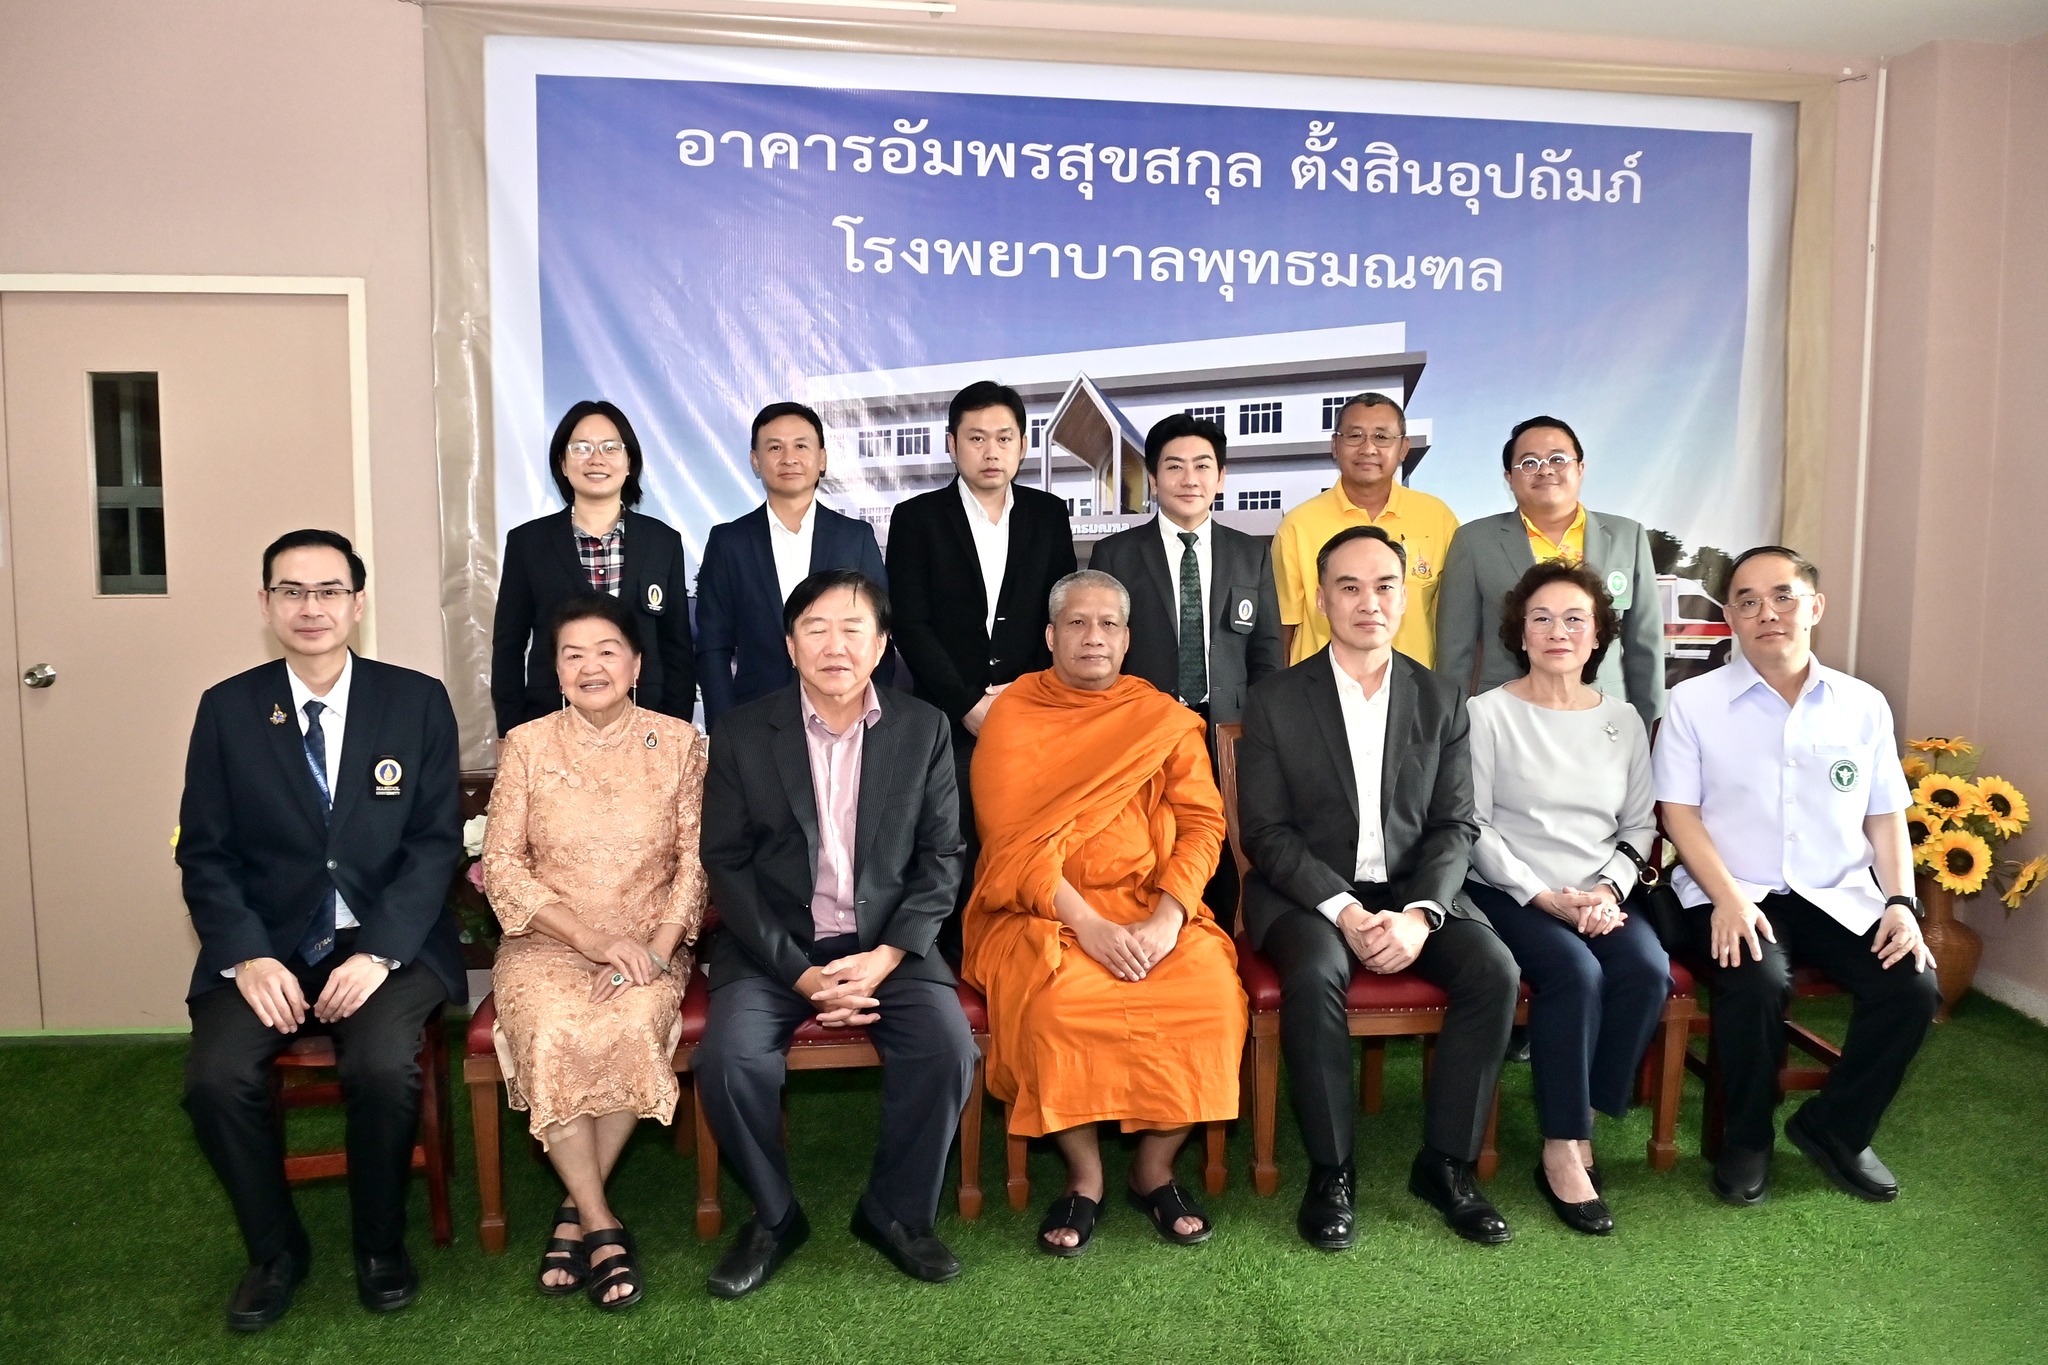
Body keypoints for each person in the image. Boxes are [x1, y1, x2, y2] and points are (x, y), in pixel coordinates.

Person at [177, 529, 464, 1331]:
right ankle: (276, 1252)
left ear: (358, 602)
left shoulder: (415, 700)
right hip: (267, 944)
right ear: (265, 603)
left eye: (329, 590)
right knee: (214, 1079)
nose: (312, 607)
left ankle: (379, 1243)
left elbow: (434, 842)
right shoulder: (229, 708)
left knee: (382, 1064)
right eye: (292, 590)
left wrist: (379, 950)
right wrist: (246, 955)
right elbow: (205, 852)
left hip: (384, 939)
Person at [1237, 526, 1520, 1250]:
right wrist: (1345, 909)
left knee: (1494, 969)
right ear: (1321, 599)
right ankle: (1332, 1170)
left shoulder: (1441, 697)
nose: (1370, 602)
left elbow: (1455, 824)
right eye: (1350, 586)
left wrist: (1420, 914)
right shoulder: (1274, 700)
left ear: (1406, 596)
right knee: (1315, 970)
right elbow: (1266, 833)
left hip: (1414, 889)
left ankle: (1447, 1165)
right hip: (1307, 893)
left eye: (1385, 585)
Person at [696, 570, 976, 1298]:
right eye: (815, 629)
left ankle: (895, 1212)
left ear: (881, 646)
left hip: (889, 944)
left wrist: (886, 955)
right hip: (774, 949)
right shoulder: (742, 733)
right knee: (728, 1060)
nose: (835, 646)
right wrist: (801, 974)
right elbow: (726, 864)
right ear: (790, 646)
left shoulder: (923, 728)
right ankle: (774, 1215)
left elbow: (943, 856)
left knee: (946, 1049)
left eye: (853, 629)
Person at [962, 570, 1247, 1256]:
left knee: (1209, 996)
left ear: (1127, 639)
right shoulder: (1014, 714)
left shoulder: (1160, 716)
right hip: (1042, 913)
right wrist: (1087, 925)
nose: (1094, 636)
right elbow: (1008, 845)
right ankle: (1084, 1176)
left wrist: (1169, 918)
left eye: (1108, 625)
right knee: (1058, 1006)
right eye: (1077, 623)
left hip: (1154, 906)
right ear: (1050, 636)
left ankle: (1154, 1169)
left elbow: (1203, 823)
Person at [1655, 546, 1938, 1207]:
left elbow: (1885, 816)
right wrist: (1726, 898)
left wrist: (1901, 902)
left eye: (1783, 596)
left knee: (1913, 985)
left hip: (1837, 893)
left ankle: (1836, 1127)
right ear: (1730, 617)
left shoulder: (1862, 705)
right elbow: (1679, 813)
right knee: (1756, 978)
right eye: (1748, 601)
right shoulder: (1694, 701)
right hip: (1731, 889)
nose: (1767, 613)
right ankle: (1747, 1137)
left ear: (1815, 606)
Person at [481, 592, 710, 1311]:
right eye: (572, 654)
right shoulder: (526, 744)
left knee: (630, 1024)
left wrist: (658, 948)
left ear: (636, 664)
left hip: (647, 943)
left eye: (607, 651)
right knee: (554, 1030)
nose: (591, 666)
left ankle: (574, 1213)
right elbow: (502, 865)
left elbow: (695, 863)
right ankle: (600, 1220)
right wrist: (587, 938)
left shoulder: (681, 743)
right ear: (555, 671)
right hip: (547, 942)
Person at [1462, 560, 1669, 1236]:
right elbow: (1473, 825)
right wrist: (1541, 894)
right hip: (1510, 890)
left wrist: (1607, 890)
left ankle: (1584, 1119)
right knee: (1575, 974)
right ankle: (1561, 1145)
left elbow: (1640, 825)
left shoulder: (1623, 719)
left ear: (1598, 634)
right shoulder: (1487, 714)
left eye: (1575, 619)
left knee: (1647, 972)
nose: (1558, 631)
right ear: (1520, 633)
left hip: (1600, 890)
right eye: (1542, 618)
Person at [885, 380, 1076, 958]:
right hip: (945, 717)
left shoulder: (1047, 514)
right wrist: (968, 703)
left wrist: (1021, 696)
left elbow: (1061, 613)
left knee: (1028, 838)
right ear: (952, 444)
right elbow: (911, 624)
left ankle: (1022, 949)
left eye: (1003, 438)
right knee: (952, 840)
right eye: (976, 438)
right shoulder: (916, 518)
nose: (991, 451)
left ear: (1022, 446)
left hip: (1032, 712)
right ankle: (951, 957)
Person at [1090, 412, 1283, 932]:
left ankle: (1217, 948)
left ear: (1221, 478)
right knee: (1150, 845)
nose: (1189, 478)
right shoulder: (1116, 554)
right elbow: (1103, 653)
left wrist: (1260, 735)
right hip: (1144, 732)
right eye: (1174, 466)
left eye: (1203, 466)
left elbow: (1266, 652)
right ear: (1154, 479)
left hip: (1229, 733)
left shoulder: (1251, 553)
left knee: (1225, 852)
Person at [1434, 415, 1665, 733]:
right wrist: (1453, 734)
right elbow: (1455, 652)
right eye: (1529, 462)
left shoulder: (1628, 536)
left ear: (1580, 468)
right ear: (1509, 477)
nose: (1544, 470)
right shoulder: (1474, 541)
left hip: (1606, 720)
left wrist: (1649, 730)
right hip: (1506, 723)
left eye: (1557, 459)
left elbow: (1645, 646)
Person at [491, 400, 697, 736]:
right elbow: (508, 645)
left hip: (648, 721)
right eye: (581, 448)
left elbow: (677, 645)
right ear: (562, 463)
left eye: (610, 448)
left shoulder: (662, 540)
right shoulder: (528, 542)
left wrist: (675, 727)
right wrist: (514, 730)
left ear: (629, 463)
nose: (596, 459)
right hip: (549, 723)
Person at [694, 401, 888, 729]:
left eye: (801, 446)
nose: (789, 458)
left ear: (822, 458)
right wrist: (724, 728)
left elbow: (878, 634)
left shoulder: (855, 538)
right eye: (775, 447)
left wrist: (873, 721)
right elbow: (713, 646)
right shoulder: (729, 542)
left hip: (845, 717)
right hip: (754, 718)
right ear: (755, 460)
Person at [1272, 392, 1460, 668]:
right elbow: (1281, 629)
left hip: (1413, 688)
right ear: (1335, 445)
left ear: (1404, 448)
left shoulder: (1437, 517)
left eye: (1381, 437)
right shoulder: (1297, 526)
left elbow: (1456, 622)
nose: (1368, 448)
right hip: (1320, 689)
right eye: (1355, 436)